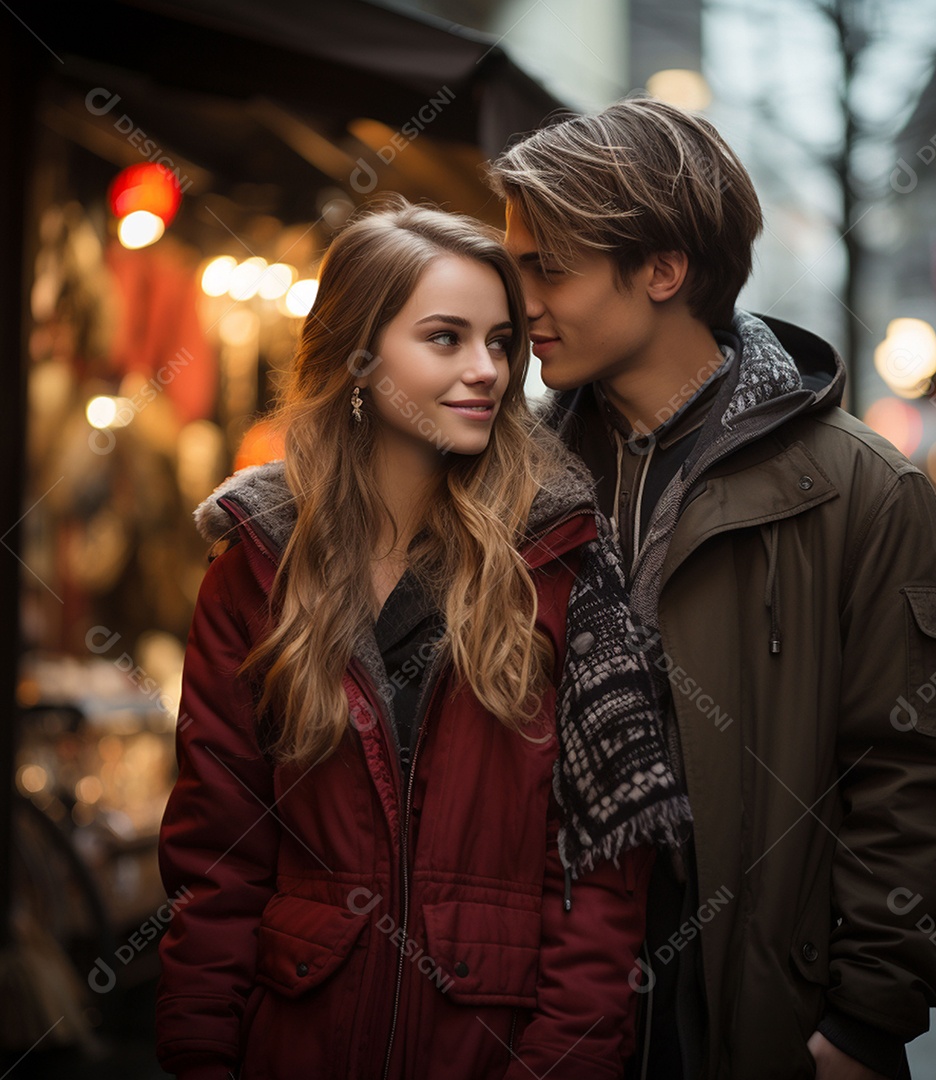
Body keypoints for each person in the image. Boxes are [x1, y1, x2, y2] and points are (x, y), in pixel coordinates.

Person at [489, 99, 936, 1080]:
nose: (521, 302)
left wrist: (860, 1028)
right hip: (538, 1017)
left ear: (663, 270)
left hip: (755, 1029)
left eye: (548, 267)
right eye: (514, 268)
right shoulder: (507, 486)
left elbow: (913, 772)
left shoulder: (863, 492)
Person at [154, 198, 692, 1080]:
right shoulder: (257, 565)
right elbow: (217, 857)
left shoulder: (559, 562)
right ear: (359, 358)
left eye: (501, 342)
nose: (486, 369)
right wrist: (201, 1055)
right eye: (446, 338)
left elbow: (599, 880)